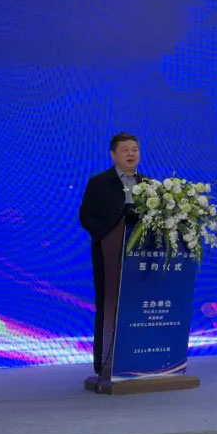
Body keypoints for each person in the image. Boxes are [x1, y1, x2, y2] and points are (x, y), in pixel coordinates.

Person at [79, 133, 144, 373]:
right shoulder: (98, 183)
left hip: (140, 258)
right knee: (108, 306)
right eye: (125, 149)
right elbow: (86, 216)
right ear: (113, 155)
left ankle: (138, 358)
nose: (131, 153)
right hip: (108, 256)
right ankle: (104, 363)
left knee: (137, 306)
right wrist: (105, 236)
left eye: (134, 149)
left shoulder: (150, 185)